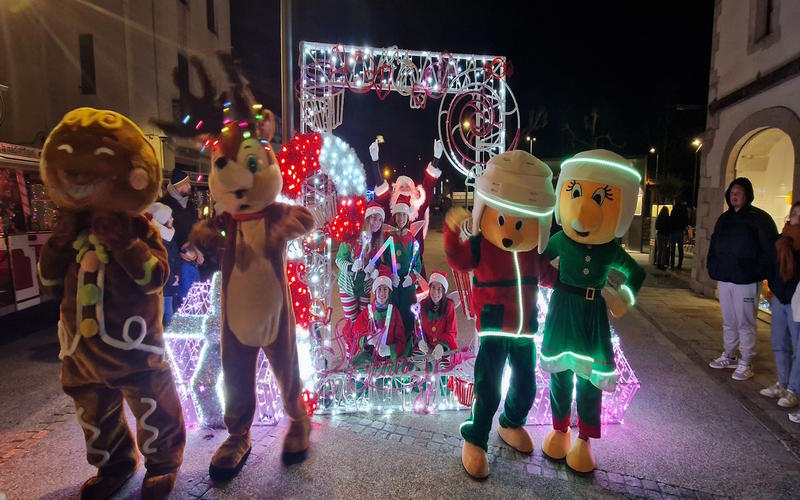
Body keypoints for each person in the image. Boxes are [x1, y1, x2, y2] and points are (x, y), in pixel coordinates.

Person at [707, 177, 778, 381]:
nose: (734, 196)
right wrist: (714, 267)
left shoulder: (759, 219)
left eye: (738, 192)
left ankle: (746, 360)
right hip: (726, 278)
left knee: (745, 322)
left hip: (746, 280)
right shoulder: (724, 219)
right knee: (729, 320)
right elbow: (714, 245)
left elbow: (769, 250)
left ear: (747, 195)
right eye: (732, 192)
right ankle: (729, 354)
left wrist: (756, 271)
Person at [369, 139, 444, 278]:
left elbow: (428, 184)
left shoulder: (419, 208)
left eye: (407, 187)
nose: (404, 189)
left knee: (418, 297)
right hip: (392, 266)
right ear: (396, 191)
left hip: (415, 265)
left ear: (414, 191)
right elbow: (381, 190)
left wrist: (436, 159)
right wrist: (375, 162)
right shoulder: (390, 209)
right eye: (401, 187)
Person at [761, 202, 800, 412]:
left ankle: (794, 389)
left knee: (798, 347)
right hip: (779, 298)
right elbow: (772, 267)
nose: (797, 218)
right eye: (795, 214)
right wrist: (774, 288)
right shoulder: (780, 241)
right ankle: (783, 383)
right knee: (779, 342)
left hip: (797, 302)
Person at [383, 194, 422, 348]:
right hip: (392, 285)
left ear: (407, 217)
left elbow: (417, 264)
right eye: (398, 214)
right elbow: (382, 261)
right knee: (392, 314)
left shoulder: (412, 239)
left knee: (407, 314)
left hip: (407, 286)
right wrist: (389, 275)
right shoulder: (387, 237)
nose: (400, 218)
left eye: (403, 215)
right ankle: (391, 345)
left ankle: (407, 345)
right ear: (394, 216)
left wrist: (411, 278)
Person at [336, 201, 385, 322]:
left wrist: (374, 271)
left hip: (364, 286)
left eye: (380, 220)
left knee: (364, 319)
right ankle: (352, 342)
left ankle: (362, 341)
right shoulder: (352, 236)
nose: (377, 223)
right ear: (367, 218)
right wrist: (350, 267)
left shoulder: (378, 241)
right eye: (374, 218)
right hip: (347, 286)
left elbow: (377, 263)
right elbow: (339, 259)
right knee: (352, 321)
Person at [160, 169, 201, 303]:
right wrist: (179, 253)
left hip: (192, 258)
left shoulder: (189, 204)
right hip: (178, 263)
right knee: (186, 301)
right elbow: (163, 237)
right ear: (177, 186)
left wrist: (198, 251)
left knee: (197, 297)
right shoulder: (164, 205)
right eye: (186, 184)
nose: (189, 187)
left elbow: (194, 229)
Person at [351, 266, 407, 362]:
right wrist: (367, 340)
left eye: (385, 289)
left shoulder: (394, 313)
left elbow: (401, 340)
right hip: (370, 357)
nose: (382, 293)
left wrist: (389, 350)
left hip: (389, 359)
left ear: (389, 292)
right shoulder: (367, 313)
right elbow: (356, 332)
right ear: (375, 291)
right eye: (379, 289)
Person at [147, 202, 181, 327]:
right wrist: (172, 278)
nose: (172, 219)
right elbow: (162, 262)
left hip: (170, 283)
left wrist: (177, 274)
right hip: (163, 285)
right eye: (170, 217)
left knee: (168, 312)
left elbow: (175, 257)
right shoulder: (158, 239)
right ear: (163, 220)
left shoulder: (169, 236)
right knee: (165, 313)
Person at [414, 271, 458, 365]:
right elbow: (418, 328)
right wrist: (420, 340)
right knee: (420, 365)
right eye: (433, 288)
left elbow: (451, 331)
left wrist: (442, 345)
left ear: (443, 291)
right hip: (427, 349)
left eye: (439, 289)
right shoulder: (422, 305)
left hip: (445, 349)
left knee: (443, 369)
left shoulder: (449, 306)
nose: (435, 292)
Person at [669, 199, 689, 270]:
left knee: (672, 249)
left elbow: (670, 221)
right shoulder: (684, 211)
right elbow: (686, 221)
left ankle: (672, 264)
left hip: (673, 231)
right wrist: (683, 228)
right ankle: (679, 265)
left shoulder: (673, 211)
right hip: (680, 232)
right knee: (680, 249)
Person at [655, 206, 671, 270]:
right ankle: (662, 264)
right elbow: (670, 227)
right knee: (664, 250)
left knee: (659, 250)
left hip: (659, 234)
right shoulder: (668, 218)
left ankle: (658, 263)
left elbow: (656, 226)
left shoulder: (659, 217)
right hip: (665, 235)